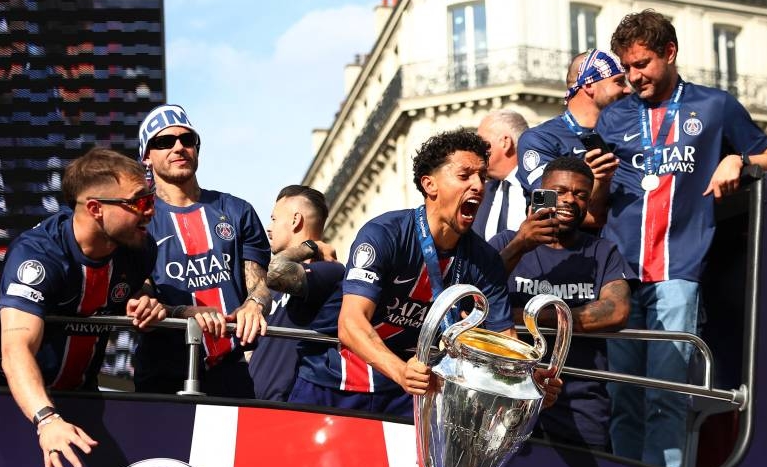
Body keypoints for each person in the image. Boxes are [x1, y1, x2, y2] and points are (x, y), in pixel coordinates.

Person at [597, 9, 767, 467]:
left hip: (678, 271)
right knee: (622, 398)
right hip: (620, 274)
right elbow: (596, 201)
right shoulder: (615, 116)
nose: (633, 75)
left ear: (670, 53)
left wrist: (739, 163)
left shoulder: (715, 106)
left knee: (667, 396)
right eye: (626, 66)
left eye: (641, 63)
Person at [289, 128, 560, 417]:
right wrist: (400, 371)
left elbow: (504, 343)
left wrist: (526, 378)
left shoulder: (486, 260)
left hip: (408, 391)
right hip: (334, 381)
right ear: (430, 185)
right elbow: (351, 323)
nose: (479, 186)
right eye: (465, 175)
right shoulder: (384, 234)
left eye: (482, 176)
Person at [0, 147, 165, 467]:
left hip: (85, 401)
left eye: (151, 200)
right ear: (96, 209)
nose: (150, 212)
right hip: (16, 406)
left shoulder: (140, 249)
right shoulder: (37, 256)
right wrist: (46, 419)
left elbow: (139, 286)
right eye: (139, 203)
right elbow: (15, 349)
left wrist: (146, 297)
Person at [491, 156, 635, 449]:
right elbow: (478, 298)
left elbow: (616, 311)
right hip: (506, 394)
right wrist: (521, 244)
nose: (570, 200)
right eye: (560, 191)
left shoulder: (602, 251)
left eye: (581, 195)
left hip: (582, 403)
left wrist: (524, 316)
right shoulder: (504, 242)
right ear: (541, 193)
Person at [133, 104, 272, 397]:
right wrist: (183, 312)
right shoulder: (138, 219)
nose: (179, 147)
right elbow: (139, 297)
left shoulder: (237, 210)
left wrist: (254, 305)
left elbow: (259, 286)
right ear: (147, 155)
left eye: (188, 140)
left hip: (231, 369)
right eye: (164, 142)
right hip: (163, 369)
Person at [248, 185, 344, 401]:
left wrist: (311, 247)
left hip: (294, 406)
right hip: (257, 405)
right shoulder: (275, 288)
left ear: (295, 220)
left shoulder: (330, 271)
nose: (268, 227)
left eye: (274, 219)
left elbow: (277, 271)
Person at [516, 49, 631, 230]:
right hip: (569, 256)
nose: (627, 89)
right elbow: (547, 212)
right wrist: (594, 179)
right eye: (619, 81)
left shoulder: (629, 133)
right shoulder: (539, 139)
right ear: (589, 85)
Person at [473, 109, 530, 241]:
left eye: (482, 143)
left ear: (505, 142)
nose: (476, 150)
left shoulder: (539, 185)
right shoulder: (482, 191)